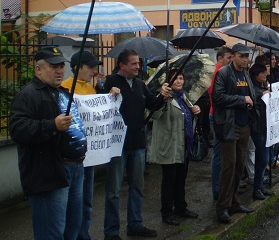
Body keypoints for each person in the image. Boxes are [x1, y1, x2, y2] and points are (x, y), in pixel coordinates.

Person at [10, 46, 87, 240]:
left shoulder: (62, 92)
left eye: (61, 66)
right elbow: (18, 130)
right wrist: (52, 125)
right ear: (38, 70)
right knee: (51, 232)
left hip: (74, 168)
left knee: (72, 228)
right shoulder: (28, 95)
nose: (60, 70)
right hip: (49, 175)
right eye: (54, 66)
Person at [101, 49, 171, 240]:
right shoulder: (110, 81)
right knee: (113, 191)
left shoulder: (140, 84)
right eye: (133, 64)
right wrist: (107, 93)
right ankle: (112, 231)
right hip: (117, 146)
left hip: (138, 143)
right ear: (122, 65)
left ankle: (136, 225)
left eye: (138, 63)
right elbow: (98, 105)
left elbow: (153, 104)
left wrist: (162, 96)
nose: (138, 67)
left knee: (137, 187)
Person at [62, 50, 120, 240]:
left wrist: (109, 95)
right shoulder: (64, 88)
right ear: (77, 68)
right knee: (72, 203)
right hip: (73, 157)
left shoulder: (90, 88)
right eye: (90, 67)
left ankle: (83, 234)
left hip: (90, 154)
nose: (94, 71)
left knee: (86, 201)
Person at [148, 70, 200, 226]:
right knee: (169, 180)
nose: (179, 81)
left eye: (181, 78)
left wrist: (195, 111)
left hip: (183, 144)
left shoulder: (184, 97)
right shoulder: (163, 98)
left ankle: (180, 207)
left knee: (181, 178)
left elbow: (186, 117)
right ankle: (167, 211)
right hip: (170, 145)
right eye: (175, 79)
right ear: (168, 82)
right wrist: (162, 99)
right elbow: (153, 115)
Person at [212, 43, 256, 224]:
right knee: (228, 168)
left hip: (244, 125)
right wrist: (241, 100)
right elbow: (218, 98)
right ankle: (222, 207)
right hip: (229, 126)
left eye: (246, 56)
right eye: (241, 56)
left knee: (239, 166)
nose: (245, 59)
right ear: (234, 56)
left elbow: (251, 95)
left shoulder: (246, 73)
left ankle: (235, 203)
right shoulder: (224, 73)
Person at [208, 46, 233, 201]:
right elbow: (217, 96)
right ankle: (217, 189)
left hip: (220, 115)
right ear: (220, 58)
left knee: (222, 153)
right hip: (218, 115)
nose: (230, 61)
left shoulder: (222, 72)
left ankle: (221, 186)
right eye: (228, 58)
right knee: (218, 154)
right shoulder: (218, 72)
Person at [248, 63, 275, 200]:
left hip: (266, 126)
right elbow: (253, 100)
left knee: (265, 158)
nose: (265, 75)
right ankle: (256, 188)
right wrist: (261, 95)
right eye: (262, 73)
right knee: (263, 158)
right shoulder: (253, 88)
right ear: (255, 74)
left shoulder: (263, 86)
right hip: (257, 127)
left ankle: (259, 186)